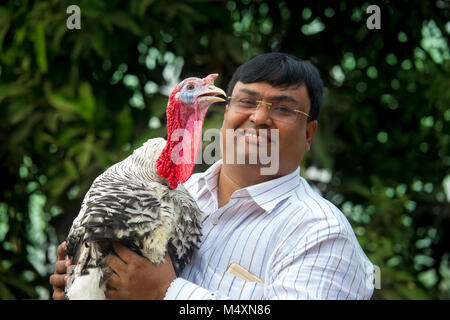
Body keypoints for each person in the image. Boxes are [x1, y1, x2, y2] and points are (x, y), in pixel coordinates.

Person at [50, 52, 374, 300]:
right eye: (246, 101)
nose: (259, 117)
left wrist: (167, 292)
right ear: (227, 111)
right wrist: (82, 283)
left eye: (283, 108)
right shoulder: (171, 191)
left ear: (309, 135)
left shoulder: (321, 234)